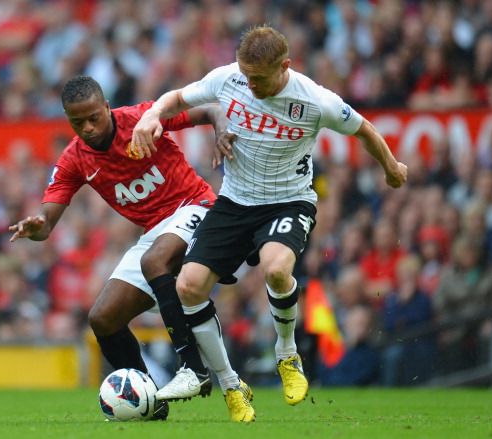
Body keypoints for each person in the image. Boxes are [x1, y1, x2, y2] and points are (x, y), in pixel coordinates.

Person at [132, 25, 407, 412]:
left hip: (288, 202)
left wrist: (391, 166)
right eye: (246, 76)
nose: (250, 85)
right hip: (235, 201)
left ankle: (287, 353)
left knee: (277, 270)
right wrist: (152, 116)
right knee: (189, 286)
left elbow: (365, 130)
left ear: (285, 67)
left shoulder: (315, 100)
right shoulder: (228, 78)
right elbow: (177, 97)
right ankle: (231, 385)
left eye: (258, 79)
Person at [8, 75, 250, 422]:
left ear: (107, 108)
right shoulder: (75, 159)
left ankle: (192, 368)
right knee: (103, 318)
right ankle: (151, 403)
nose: (89, 127)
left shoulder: (142, 118)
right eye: (78, 122)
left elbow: (209, 110)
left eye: (95, 117)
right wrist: (37, 227)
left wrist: (221, 131)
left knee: (155, 261)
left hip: (195, 206)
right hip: (156, 231)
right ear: (68, 119)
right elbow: (47, 222)